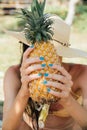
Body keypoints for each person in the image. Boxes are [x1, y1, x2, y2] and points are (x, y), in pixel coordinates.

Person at [2, 16, 87, 130]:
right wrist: (24, 93)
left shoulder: (82, 73)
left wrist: (67, 100)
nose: (41, 57)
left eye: (48, 52)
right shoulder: (14, 74)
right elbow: (7, 128)